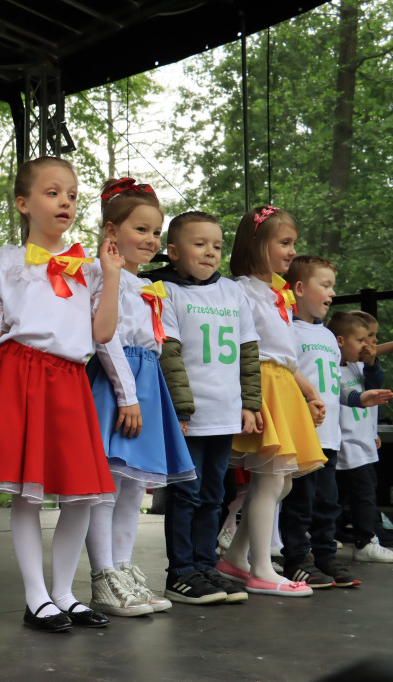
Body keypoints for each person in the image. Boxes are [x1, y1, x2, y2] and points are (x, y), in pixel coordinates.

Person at [0, 156, 122, 633]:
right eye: (52, 192)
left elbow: (103, 333)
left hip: (69, 383)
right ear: (24, 204)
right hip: (20, 378)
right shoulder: (6, 263)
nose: (65, 200)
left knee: (82, 496)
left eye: (71, 193)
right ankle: (36, 597)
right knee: (26, 496)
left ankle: (65, 592)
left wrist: (112, 275)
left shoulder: (89, 268)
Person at [83, 179, 195, 617]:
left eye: (155, 232)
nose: (151, 240)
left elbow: (157, 346)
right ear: (112, 232)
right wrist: (127, 394)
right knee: (106, 486)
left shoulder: (147, 285)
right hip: (117, 385)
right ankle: (103, 576)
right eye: (141, 230)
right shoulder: (102, 277)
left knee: (134, 487)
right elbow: (106, 339)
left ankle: (124, 567)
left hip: (147, 384)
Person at [149, 210, 260, 605]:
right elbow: (170, 355)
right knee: (187, 495)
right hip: (191, 418)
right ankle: (180, 572)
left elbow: (249, 353)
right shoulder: (166, 292)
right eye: (199, 244)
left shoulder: (233, 292)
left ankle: (204, 566)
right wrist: (179, 410)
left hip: (226, 414)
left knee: (215, 495)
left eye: (216, 245)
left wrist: (250, 403)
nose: (210, 252)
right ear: (173, 251)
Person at [216, 206, 327, 597]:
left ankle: (237, 556)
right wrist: (248, 397)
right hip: (260, 384)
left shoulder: (278, 291)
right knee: (271, 479)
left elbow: (285, 355)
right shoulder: (240, 290)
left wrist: (309, 392)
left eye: (293, 243)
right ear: (256, 243)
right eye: (284, 242)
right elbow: (248, 349)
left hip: (282, 384)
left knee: (281, 485)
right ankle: (261, 569)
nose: (292, 251)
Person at [279, 257, 392, 588]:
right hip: (303, 433)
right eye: (325, 285)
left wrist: (358, 398)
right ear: (299, 289)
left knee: (327, 503)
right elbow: (286, 378)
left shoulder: (328, 336)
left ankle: (325, 557)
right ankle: (297, 560)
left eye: (332, 286)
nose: (332, 292)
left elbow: (332, 383)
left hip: (329, 437)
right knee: (300, 502)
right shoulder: (286, 328)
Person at [328, 311, 393, 563]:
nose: (368, 346)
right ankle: (364, 541)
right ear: (341, 340)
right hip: (344, 442)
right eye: (362, 340)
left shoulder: (357, 365)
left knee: (362, 491)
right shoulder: (331, 367)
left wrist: (372, 363)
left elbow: (374, 387)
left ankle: (364, 538)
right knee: (353, 493)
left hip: (362, 441)